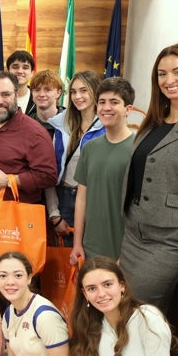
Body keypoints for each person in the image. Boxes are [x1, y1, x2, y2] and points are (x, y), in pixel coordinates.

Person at [119, 43, 178, 312]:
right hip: (132, 237)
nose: (169, 80)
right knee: (120, 311)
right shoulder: (153, 123)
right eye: (162, 74)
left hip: (168, 244)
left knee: (138, 314)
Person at [70, 77, 135, 264]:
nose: (106, 108)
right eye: (102, 102)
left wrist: (129, 254)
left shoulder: (138, 148)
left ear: (128, 109)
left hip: (124, 251)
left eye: (114, 102)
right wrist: (77, 243)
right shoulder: (90, 148)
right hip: (90, 248)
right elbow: (82, 198)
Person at [0, 71, 56, 204]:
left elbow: (48, 176)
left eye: (5, 94)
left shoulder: (35, 133)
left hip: (13, 221)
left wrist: (10, 180)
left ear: (16, 95)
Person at [46, 70, 105, 245]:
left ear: (96, 91)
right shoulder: (62, 126)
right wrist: (54, 214)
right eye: (73, 91)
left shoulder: (108, 126)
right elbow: (50, 172)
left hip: (95, 201)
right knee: (66, 263)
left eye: (84, 90)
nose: (77, 96)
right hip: (64, 198)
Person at [29, 69, 64, 139]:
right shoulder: (24, 125)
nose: (41, 94)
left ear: (58, 93)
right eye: (37, 90)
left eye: (47, 90)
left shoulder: (70, 124)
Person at [6, 50, 36, 117]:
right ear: (7, 71)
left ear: (32, 73)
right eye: (15, 67)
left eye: (25, 67)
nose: (20, 71)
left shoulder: (38, 98)